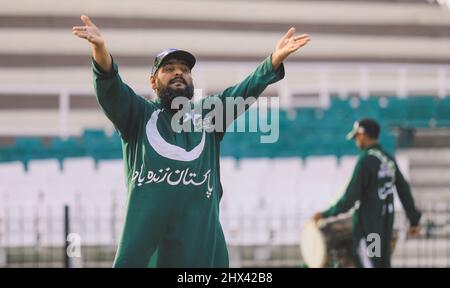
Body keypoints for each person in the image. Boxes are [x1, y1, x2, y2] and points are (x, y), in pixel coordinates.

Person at [72, 15, 311, 267]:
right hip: (152, 258)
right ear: (153, 82)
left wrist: (273, 61)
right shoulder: (138, 115)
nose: (178, 72)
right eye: (169, 68)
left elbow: (242, 91)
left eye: (185, 70)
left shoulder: (208, 116)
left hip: (202, 257)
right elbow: (110, 88)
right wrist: (100, 50)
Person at [313, 118, 422, 268]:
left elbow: (350, 198)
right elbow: (404, 190)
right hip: (384, 230)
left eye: (357, 136)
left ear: (363, 134)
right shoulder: (388, 159)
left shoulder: (366, 161)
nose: (356, 140)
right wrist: (414, 220)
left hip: (370, 232)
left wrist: (326, 214)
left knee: (369, 264)